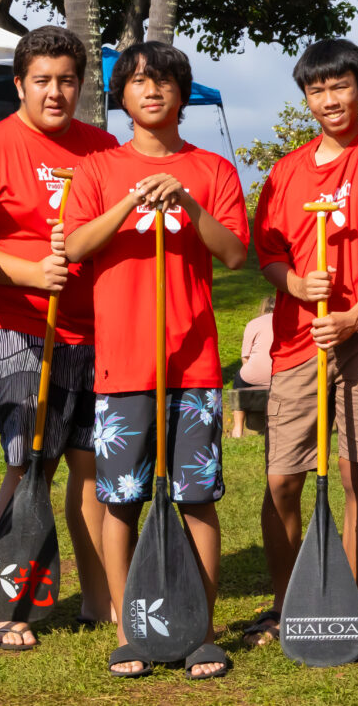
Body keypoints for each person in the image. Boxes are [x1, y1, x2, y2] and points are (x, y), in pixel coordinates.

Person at [63, 41, 248, 679]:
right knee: (122, 499)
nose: (151, 92)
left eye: (164, 82)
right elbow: (78, 245)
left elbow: (233, 255)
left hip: (192, 364)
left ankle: (200, 628)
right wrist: (131, 203)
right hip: (122, 364)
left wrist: (189, 205)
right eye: (138, 82)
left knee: (196, 498)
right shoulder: (96, 170)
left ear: (181, 94)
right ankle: (129, 624)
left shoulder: (215, 170)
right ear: (122, 96)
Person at [0, 26, 120, 649]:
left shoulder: (102, 146)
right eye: (42, 80)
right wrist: (24, 272)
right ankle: (13, 602)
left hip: (95, 327)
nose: (55, 92)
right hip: (18, 324)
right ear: (19, 83)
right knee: (28, 458)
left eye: (67, 80)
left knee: (91, 464)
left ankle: (101, 599)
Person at [247, 38, 358, 647]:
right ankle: (288, 603)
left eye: (340, 86)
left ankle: (343, 599)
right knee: (284, 477)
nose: (330, 99)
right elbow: (267, 253)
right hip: (300, 335)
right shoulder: (287, 173)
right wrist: (292, 280)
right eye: (317, 90)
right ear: (306, 99)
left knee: (357, 472)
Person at [228, 297, 274, 439]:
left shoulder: (253, 323)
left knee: (238, 383)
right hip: (279, 373)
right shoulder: (286, 321)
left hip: (253, 374)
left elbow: (245, 357)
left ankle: (237, 428)